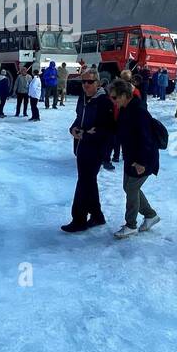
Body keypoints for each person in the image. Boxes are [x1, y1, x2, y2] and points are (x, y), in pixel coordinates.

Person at [63, 70, 117, 232]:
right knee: (88, 181)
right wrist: (73, 129)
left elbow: (106, 130)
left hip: (96, 149)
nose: (86, 85)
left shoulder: (104, 101)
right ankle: (97, 215)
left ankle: (79, 219)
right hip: (81, 147)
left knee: (84, 182)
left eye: (90, 82)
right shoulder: (83, 99)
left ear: (98, 83)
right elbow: (79, 119)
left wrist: (85, 134)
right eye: (83, 81)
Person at [108, 79, 161, 239]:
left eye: (115, 97)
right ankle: (150, 215)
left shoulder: (139, 111)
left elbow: (146, 140)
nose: (113, 100)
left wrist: (142, 163)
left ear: (124, 95)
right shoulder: (126, 108)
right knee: (129, 187)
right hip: (132, 157)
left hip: (143, 159)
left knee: (131, 188)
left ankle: (131, 225)